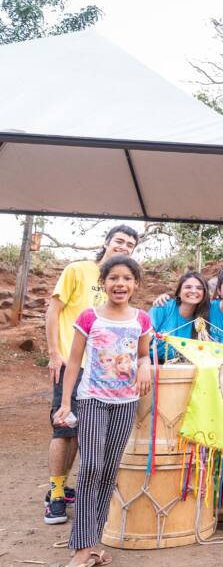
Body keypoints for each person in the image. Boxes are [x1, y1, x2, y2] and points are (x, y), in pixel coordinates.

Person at [51, 255, 152, 567]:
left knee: (109, 470)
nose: (120, 284)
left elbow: (141, 354)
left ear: (135, 285)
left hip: (126, 402)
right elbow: (75, 360)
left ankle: (93, 543)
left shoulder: (142, 320)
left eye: (127, 279)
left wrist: (146, 364)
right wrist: (66, 402)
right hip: (92, 399)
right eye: (113, 279)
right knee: (91, 466)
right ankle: (80, 547)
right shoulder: (89, 316)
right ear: (104, 283)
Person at [44, 225, 138, 526]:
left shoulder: (122, 285)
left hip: (105, 371)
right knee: (65, 426)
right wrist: (54, 352)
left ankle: (85, 494)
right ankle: (56, 492)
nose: (124, 246)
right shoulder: (78, 270)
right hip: (75, 364)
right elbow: (54, 309)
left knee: (94, 435)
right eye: (119, 241)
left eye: (130, 245)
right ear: (107, 243)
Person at [149, 272, 209, 362]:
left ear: (204, 293)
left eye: (199, 288)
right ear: (179, 292)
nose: (193, 291)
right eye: (188, 287)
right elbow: (145, 335)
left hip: (180, 367)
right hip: (151, 364)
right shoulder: (164, 306)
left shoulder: (203, 318)